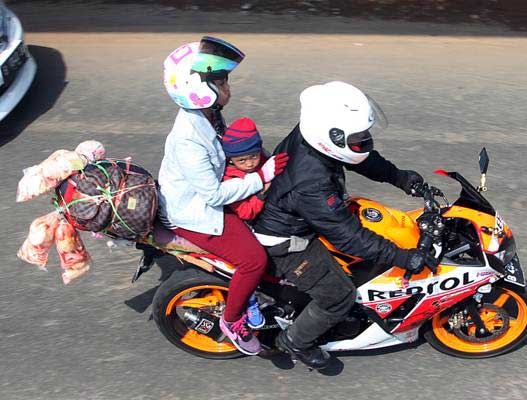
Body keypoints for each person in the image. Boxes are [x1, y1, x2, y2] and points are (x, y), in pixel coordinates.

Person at [252, 81, 434, 369]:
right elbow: (349, 238)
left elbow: (358, 156)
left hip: (298, 213)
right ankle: (295, 342)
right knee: (338, 296)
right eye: (358, 137)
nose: (364, 140)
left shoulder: (314, 136)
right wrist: (403, 257)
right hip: (286, 241)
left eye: (364, 135)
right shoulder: (311, 183)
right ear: (331, 136)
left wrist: (398, 177)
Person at [158, 37, 288, 356]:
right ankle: (233, 320)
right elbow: (214, 195)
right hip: (195, 213)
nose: (228, 86)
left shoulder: (209, 114)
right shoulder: (188, 138)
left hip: (212, 191)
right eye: (221, 80)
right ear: (198, 87)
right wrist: (262, 176)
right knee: (254, 259)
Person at [221, 117, 271, 328]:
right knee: (257, 260)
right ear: (231, 160)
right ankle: (249, 298)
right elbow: (245, 211)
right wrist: (262, 193)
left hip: (265, 213)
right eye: (243, 160)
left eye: (253, 156)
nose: (250, 163)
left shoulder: (263, 162)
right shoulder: (230, 180)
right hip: (245, 223)